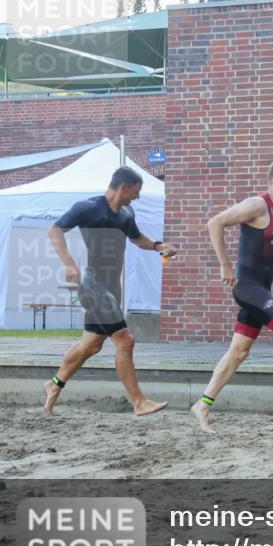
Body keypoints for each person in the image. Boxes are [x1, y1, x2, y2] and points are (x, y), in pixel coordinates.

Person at [190, 158, 273, 434]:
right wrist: (225, 264)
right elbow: (216, 222)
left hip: (260, 289)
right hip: (249, 288)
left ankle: (202, 404)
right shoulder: (257, 205)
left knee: (238, 351)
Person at [43, 166, 175, 416]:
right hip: (93, 285)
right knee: (125, 340)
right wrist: (70, 263)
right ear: (122, 187)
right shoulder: (88, 208)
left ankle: (54, 384)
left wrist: (158, 246)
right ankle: (139, 402)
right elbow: (55, 230)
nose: (136, 197)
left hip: (113, 286)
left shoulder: (127, 212)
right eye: (135, 192)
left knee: (91, 345)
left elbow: (137, 239)